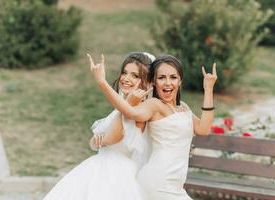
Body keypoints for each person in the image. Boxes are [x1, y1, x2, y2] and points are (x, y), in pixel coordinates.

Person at [88, 54, 217, 200]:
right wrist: (101, 82)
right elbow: (128, 111)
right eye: (161, 78)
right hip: (159, 183)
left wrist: (208, 89)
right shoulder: (154, 105)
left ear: (180, 80)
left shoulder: (184, 108)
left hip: (175, 184)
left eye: (173, 77)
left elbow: (204, 129)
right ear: (154, 82)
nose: (167, 83)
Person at [43, 52, 154, 200]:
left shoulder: (139, 110)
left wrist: (125, 102)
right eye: (124, 73)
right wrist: (96, 141)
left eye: (135, 76)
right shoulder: (123, 107)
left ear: (147, 82)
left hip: (118, 175)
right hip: (100, 165)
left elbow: (111, 139)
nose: (126, 78)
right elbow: (98, 142)